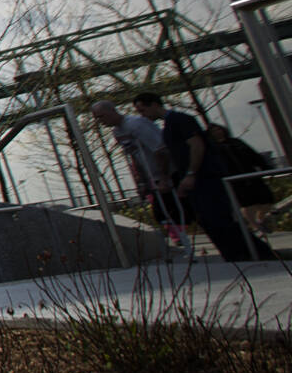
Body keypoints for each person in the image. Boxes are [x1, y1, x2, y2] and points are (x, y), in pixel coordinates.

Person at [130, 92, 263, 262]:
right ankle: (239, 253)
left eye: (143, 110)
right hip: (195, 178)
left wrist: (191, 173)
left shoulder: (179, 120)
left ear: (154, 104)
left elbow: (196, 145)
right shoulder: (169, 125)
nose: (142, 115)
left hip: (204, 177)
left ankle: (247, 253)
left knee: (217, 217)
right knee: (209, 219)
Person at [89, 100, 185, 245]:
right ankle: (180, 238)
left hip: (168, 174)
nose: (100, 121)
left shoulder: (136, 124)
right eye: (97, 118)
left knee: (178, 209)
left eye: (101, 116)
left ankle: (184, 238)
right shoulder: (117, 132)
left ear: (112, 111)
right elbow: (133, 155)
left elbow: (160, 150)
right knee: (162, 213)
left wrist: (164, 177)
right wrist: (140, 178)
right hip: (152, 177)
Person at [207, 123, 275, 240]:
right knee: (247, 203)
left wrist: (264, 166)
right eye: (214, 131)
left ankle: (261, 218)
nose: (218, 132)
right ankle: (255, 226)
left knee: (267, 199)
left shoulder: (236, 142)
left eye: (219, 129)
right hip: (234, 179)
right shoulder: (213, 148)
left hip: (250, 174)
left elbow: (252, 154)